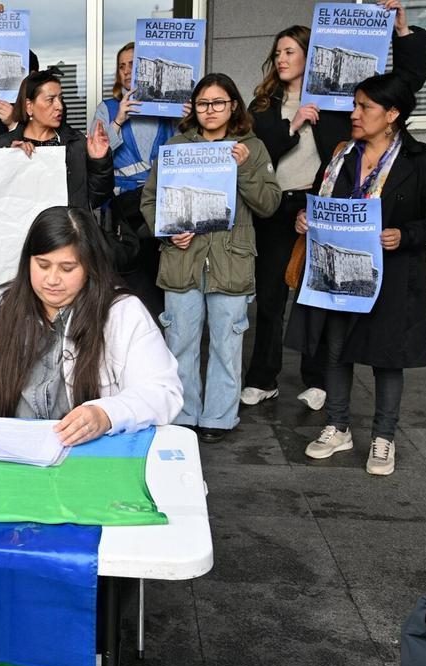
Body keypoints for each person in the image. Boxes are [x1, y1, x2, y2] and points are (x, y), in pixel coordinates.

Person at [242, 0, 426, 411]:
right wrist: (291, 127)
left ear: (310, 55)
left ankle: (316, 379)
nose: (282, 58)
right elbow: (256, 157)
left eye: (290, 51)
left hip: (323, 208)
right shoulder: (262, 107)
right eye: (277, 52)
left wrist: (402, 32)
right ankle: (262, 378)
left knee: (318, 294)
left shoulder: (341, 100)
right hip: (277, 209)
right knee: (272, 297)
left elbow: (406, 83)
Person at [285, 72, 426, 476]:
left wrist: (406, 234)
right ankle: (337, 426)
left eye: (365, 107)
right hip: (337, 275)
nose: (355, 114)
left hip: (392, 275)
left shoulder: (423, 162)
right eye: (354, 105)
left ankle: (383, 437)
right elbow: (323, 203)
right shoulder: (342, 154)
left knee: (386, 357)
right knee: (335, 350)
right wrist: (306, 218)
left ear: (392, 114)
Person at [0, 206, 182, 443]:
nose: (52, 279)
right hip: (6, 451)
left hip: (92, 457)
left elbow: (163, 391)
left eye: (67, 268)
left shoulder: (123, 313)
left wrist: (106, 415)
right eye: (42, 265)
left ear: (90, 267)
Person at [141, 73, 281, 444]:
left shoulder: (251, 148)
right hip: (182, 261)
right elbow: (151, 200)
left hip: (231, 262)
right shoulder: (176, 147)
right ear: (195, 108)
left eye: (219, 102)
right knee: (181, 342)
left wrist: (244, 170)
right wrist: (167, 229)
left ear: (233, 105)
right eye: (203, 103)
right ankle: (184, 415)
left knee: (226, 343)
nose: (211, 110)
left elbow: (269, 205)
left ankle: (219, 418)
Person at [92, 41, 186, 316]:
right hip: (126, 210)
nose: (126, 70)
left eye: (133, 64)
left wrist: (187, 123)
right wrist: (119, 119)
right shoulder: (107, 108)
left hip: (164, 204)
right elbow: (95, 156)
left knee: (164, 280)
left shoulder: (170, 109)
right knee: (136, 285)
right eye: (121, 66)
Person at [0, 68, 114, 211]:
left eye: (60, 98)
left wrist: (99, 161)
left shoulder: (77, 144)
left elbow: (97, 199)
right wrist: (10, 160)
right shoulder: (2, 146)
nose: (59, 106)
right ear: (29, 106)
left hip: (66, 230)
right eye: (50, 100)